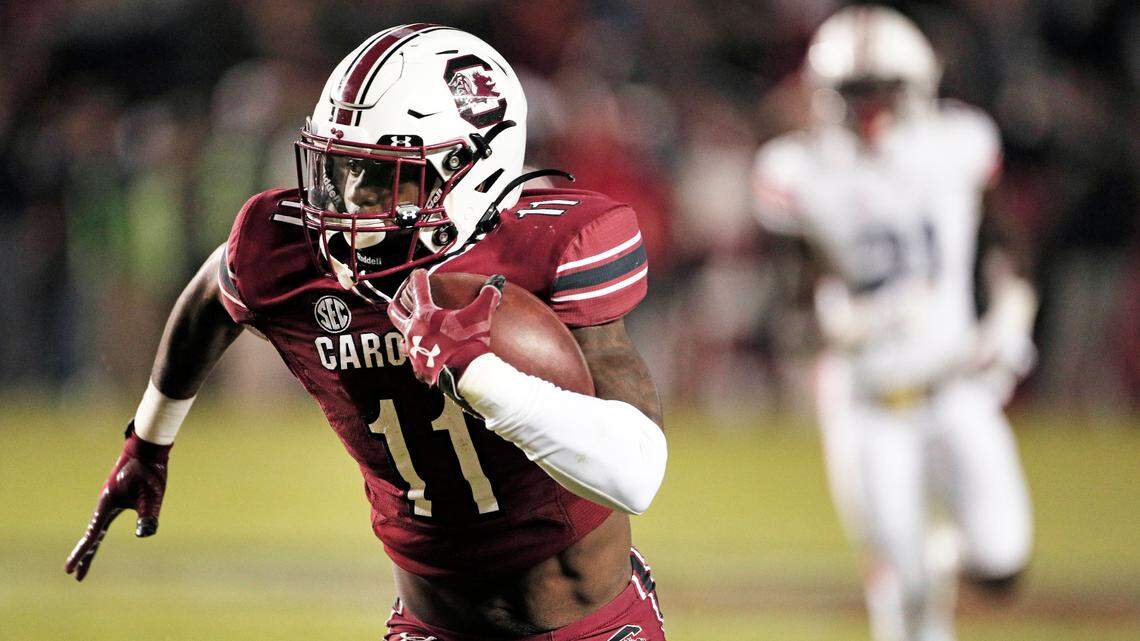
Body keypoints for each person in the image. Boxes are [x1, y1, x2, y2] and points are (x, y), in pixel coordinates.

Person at [66, 24, 668, 641]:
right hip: (430, 627)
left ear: (471, 169)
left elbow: (636, 473)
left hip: (593, 627)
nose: (353, 199)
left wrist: (480, 375)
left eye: (387, 175)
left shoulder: (551, 249)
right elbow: (208, 298)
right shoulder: (286, 251)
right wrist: (148, 440)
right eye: (344, 168)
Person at [752, 7, 1035, 641]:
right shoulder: (799, 171)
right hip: (867, 399)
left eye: (881, 90)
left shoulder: (958, 144)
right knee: (900, 589)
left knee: (1000, 564)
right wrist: (841, 321)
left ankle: (939, 560)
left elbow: (1005, 243)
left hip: (957, 384)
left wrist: (1013, 309)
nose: (868, 107)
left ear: (917, 87)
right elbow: (792, 301)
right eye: (853, 92)